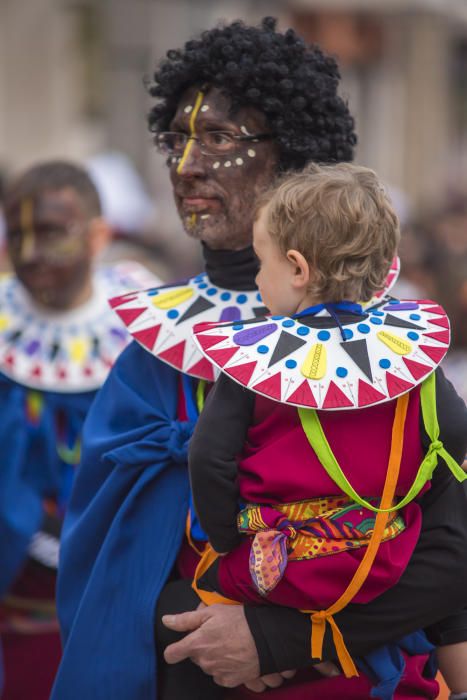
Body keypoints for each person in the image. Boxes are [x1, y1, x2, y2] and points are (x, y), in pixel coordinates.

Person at [53, 18, 467, 700]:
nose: (185, 165)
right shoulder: (151, 356)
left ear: (292, 151)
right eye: (176, 140)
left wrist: (285, 639)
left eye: (217, 138)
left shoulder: (384, 351)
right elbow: (109, 572)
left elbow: (451, 553)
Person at [0, 160, 157, 699]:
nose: (28, 253)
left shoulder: (149, 337)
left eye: (49, 232)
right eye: (15, 233)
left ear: (98, 236)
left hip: (113, 620)